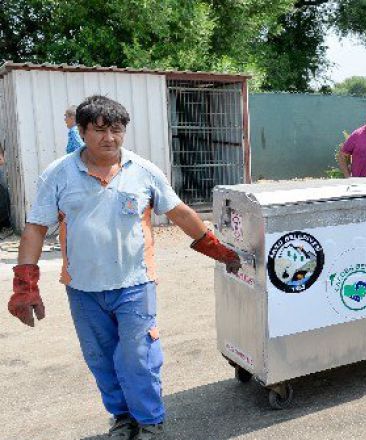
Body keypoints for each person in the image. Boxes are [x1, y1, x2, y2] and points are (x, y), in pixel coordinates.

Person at [7, 95, 242, 440]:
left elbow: (178, 212)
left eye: (116, 129)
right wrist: (25, 284)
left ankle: (149, 421)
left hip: (135, 284)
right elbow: (36, 228)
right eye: (99, 130)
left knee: (138, 357)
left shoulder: (143, 171)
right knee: (100, 359)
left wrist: (218, 249)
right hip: (83, 289)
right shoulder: (58, 174)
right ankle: (122, 417)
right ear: (82, 131)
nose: (109, 138)